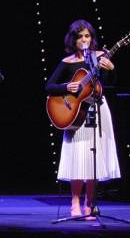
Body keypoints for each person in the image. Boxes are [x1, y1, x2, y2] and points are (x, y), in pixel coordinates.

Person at [45, 19, 121, 218]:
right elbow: (49, 86)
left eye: (87, 36)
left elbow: (110, 86)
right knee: (78, 158)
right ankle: (75, 201)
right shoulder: (67, 62)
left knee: (94, 159)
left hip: (98, 109)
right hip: (75, 114)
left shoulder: (100, 57)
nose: (84, 40)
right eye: (80, 37)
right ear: (73, 40)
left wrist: (111, 71)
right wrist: (65, 87)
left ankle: (90, 203)